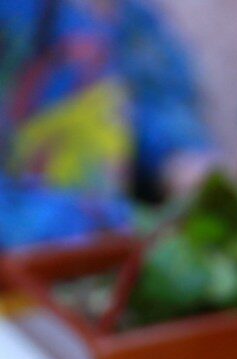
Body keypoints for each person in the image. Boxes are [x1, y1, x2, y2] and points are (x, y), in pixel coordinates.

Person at [0, 0, 217, 249]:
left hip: (111, 233)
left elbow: (150, 91)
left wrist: (178, 159)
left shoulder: (126, 14)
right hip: (43, 242)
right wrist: (118, 223)